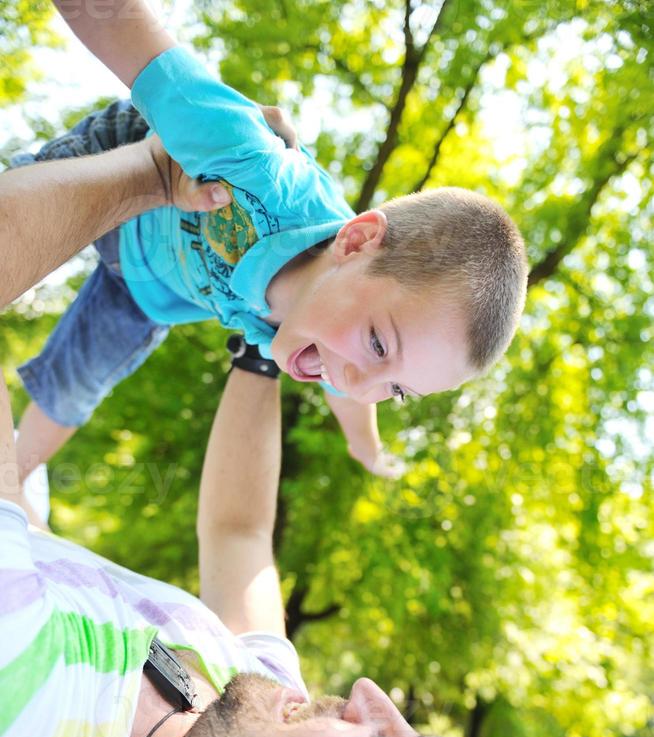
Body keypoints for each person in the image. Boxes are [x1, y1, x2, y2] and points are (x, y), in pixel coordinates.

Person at [0, 125, 546, 737]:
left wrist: (148, 172)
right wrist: (267, 342)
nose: (367, 696)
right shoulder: (251, 725)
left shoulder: (17, 733)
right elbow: (239, 538)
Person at [11, 0, 528, 487]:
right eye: (377, 345)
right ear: (357, 242)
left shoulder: (330, 330)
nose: (355, 382)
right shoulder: (262, 173)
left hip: (146, 295)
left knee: (75, 384)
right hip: (126, 166)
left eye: (395, 391)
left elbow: (350, 400)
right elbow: (130, 37)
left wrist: (367, 451)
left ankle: (13, 485)